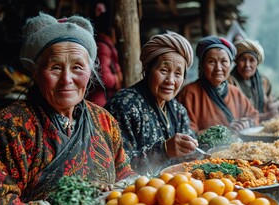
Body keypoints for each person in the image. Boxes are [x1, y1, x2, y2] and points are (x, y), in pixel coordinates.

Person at [0, 12, 135, 205]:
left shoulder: (104, 120)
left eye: (77, 67)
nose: (67, 79)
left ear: (91, 72)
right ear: (36, 73)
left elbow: (125, 174)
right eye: (55, 67)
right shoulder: (10, 128)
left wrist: (118, 190)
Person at [105, 31, 198, 175]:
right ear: (147, 69)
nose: (171, 80)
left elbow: (190, 153)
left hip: (178, 188)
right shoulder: (124, 105)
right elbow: (116, 164)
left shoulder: (178, 110)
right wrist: (164, 150)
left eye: (178, 74)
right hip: (138, 192)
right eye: (164, 70)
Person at [177, 36, 259, 133]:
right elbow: (187, 132)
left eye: (224, 61)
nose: (218, 68)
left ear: (231, 65)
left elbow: (253, 115)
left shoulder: (234, 91)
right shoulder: (189, 93)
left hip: (237, 147)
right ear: (202, 65)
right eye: (211, 62)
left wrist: (247, 123)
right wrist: (224, 131)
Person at [228, 38, 279, 121]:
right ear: (236, 61)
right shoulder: (229, 82)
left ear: (257, 63)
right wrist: (264, 116)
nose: (247, 65)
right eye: (243, 59)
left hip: (263, 127)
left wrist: (274, 105)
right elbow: (230, 113)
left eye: (252, 60)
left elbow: (273, 100)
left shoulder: (264, 81)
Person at [86, 1, 123, 107]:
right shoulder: (103, 47)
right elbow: (105, 78)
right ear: (111, 30)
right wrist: (118, 78)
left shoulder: (105, 45)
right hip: (101, 101)